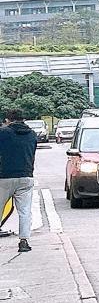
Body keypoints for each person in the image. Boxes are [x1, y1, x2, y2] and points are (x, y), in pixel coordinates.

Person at [0, 107, 39, 254]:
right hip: (26, 177)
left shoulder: (3, 133)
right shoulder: (32, 134)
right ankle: (24, 242)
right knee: (25, 211)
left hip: (4, 177)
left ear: (8, 120)